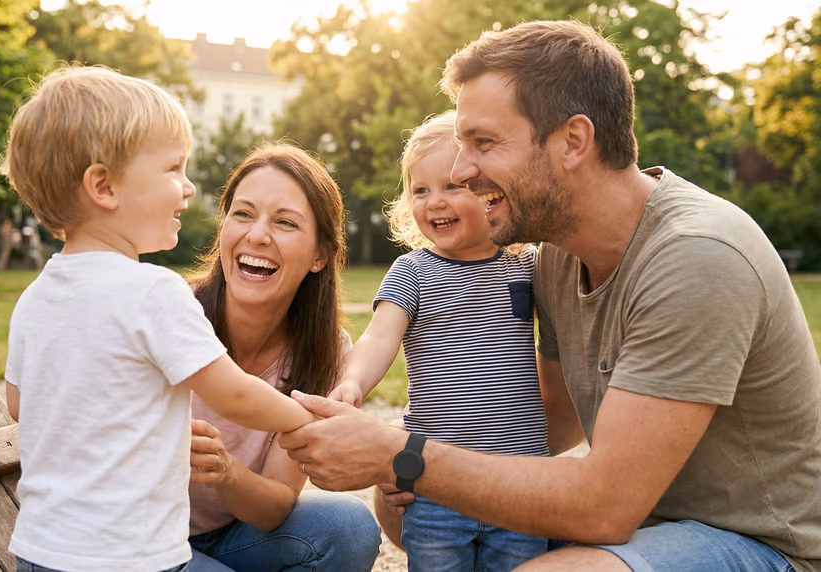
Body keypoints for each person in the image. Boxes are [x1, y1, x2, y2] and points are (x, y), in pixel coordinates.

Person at [279, 20, 821, 572]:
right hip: (643, 526)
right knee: (413, 517)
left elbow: (604, 506)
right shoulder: (559, 257)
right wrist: (414, 466)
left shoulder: (696, 257)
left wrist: (402, 454)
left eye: (483, 143)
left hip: (755, 544)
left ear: (573, 141)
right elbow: (550, 427)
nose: (462, 171)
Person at [0, 66, 316, 572]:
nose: (188, 188)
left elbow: (19, 403)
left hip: (41, 549)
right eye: (173, 170)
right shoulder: (154, 291)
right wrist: (309, 420)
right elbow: (232, 393)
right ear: (104, 186)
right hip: (130, 555)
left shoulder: (36, 297)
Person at [328, 111, 567, 571]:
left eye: (453, 186)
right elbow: (381, 335)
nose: (435, 201)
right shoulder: (414, 272)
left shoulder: (527, 265)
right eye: (421, 190)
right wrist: (353, 381)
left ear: (493, 191)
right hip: (434, 485)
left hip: (519, 480)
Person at [184, 144, 381, 572]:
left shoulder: (327, 352)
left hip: (233, 534)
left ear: (319, 257)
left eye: (285, 222)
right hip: (142, 536)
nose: (257, 235)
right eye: (242, 214)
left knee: (349, 528)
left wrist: (225, 471)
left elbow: (274, 506)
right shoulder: (174, 310)